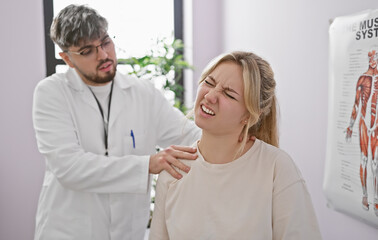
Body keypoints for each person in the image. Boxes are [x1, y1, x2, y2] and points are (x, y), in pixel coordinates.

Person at [32, 4, 201, 240]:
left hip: (127, 231)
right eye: (87, 50)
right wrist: (147, 165)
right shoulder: (52, 93)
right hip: (69, 231)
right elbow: (70, 168)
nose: (103, 55)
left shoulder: (143, 93)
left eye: (105, 42)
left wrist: (236, 134)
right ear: (67, 59)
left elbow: (188, 136)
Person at [149, 51, 322, 239]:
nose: (210, 96)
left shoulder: (276, 168)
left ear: (249, 115)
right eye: (209, 83)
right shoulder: (174, 171)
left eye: (229, 94)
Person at [345, 50, 378, 213]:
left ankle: (376, 198)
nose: (374, 60)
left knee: (376, 162)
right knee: (365, 160)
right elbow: (356, 104)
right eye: (372, 57)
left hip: (376, 124)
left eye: (376, 57)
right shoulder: (363, 78)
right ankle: (365, 195)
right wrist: (351, 126)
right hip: (364, 123)